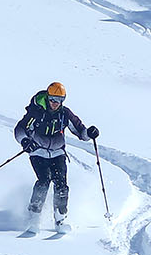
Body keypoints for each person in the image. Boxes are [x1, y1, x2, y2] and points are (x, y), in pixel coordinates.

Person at [13, 81, 98, 229]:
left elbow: (80, 131)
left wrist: (89, 133)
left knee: (61, 184)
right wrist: (25, 141)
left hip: (57, 153)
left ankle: (60, 219)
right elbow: (20, 129)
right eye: (52, 99)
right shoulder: (36, 112)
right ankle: (33, 218)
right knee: (44, 180)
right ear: (47, 97)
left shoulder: (65, 114)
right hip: (38, 151)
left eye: (59, 101)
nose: (55, 103)